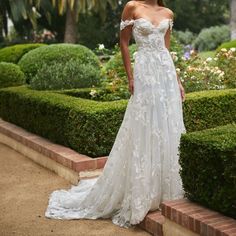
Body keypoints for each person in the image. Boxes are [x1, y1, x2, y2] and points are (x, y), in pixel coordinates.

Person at [45, 0, 187, 229]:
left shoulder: (168, 13)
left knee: (167, 125)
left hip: (165, 75)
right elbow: (123, 42)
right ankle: (143, 191)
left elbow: (166, 50)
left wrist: (178, 82)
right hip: (144, 72)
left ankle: (166, 190)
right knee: (144, 126)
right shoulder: (132, 6)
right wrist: (131, 77)